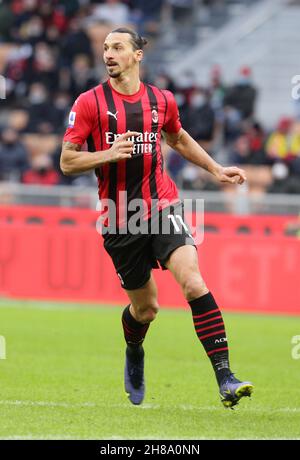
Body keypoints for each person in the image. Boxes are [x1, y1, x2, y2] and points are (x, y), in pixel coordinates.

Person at [60, 27, 253, 409]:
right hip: (120, 218)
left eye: (117, 47)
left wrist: (215, 169)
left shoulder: (161, 100)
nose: (108, 54)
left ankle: (225, 377)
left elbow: (178, 138)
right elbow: (67, 161)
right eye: (105, 48)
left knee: (194, 282)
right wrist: (106, 155)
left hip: (162, 205)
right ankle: (134, 348)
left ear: (137, 55)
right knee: (146, 309)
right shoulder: (89, 103)